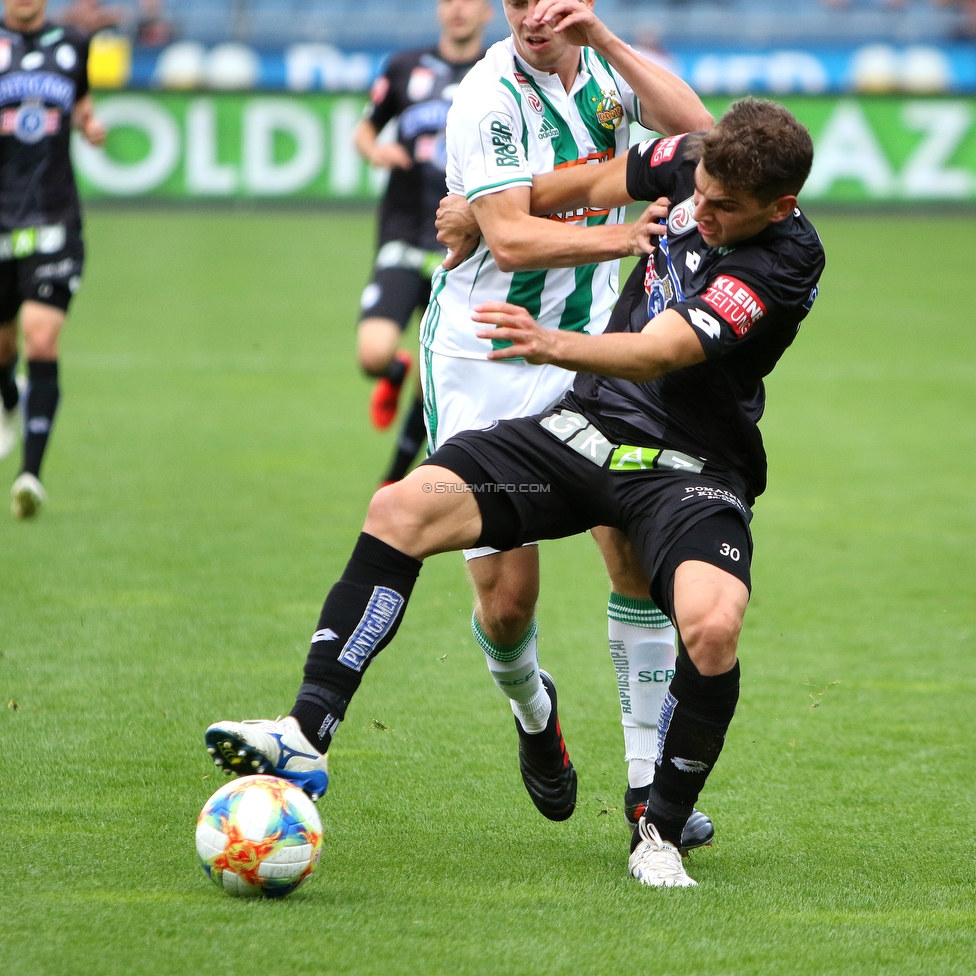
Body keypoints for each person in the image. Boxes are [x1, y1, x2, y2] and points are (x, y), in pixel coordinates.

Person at [204, 96, 825, 888]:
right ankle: (306, 729)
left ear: (780, 208)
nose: (698, 210)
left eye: (723, 207)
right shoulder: (693, 162)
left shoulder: (783, 261)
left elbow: (662, 350)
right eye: (697, 191)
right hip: (580, 439)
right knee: (399, 509)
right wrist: (486, 212)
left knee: (712, 624)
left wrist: (550, 344)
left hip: (687, 474)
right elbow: (593, 177)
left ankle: (659, 829)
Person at [424, 0, 713, 839]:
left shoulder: (608, 76)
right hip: (488, 356)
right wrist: (623, 239)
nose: (532, 15)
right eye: (516, 2)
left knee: (630, 548)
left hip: (590, 352)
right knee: (508, 603)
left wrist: (608, 43)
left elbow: (702, 140)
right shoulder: (486, 94)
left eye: (550, 1)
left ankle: (644, 791)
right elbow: (509, 241)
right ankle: (532, 713)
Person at [353, 0, 493, 487]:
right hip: (402, 234)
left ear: (487, 12)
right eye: (449, 1)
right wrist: (377, 150)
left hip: (462, 251)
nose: (457, 10)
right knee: (371, 354)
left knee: (434, 379)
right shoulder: (404, 66)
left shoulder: (499, 70)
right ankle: (393, 371)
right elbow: (365, 130)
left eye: (469, 2)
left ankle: (392, 478)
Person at [0, 0, 105, 518]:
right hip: (0, 217)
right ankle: (8, 400)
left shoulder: (73, 45)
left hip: (54, 217)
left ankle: (30, 474)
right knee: (3, 348)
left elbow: (80, 100)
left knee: (41, 337)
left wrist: (88, 123)